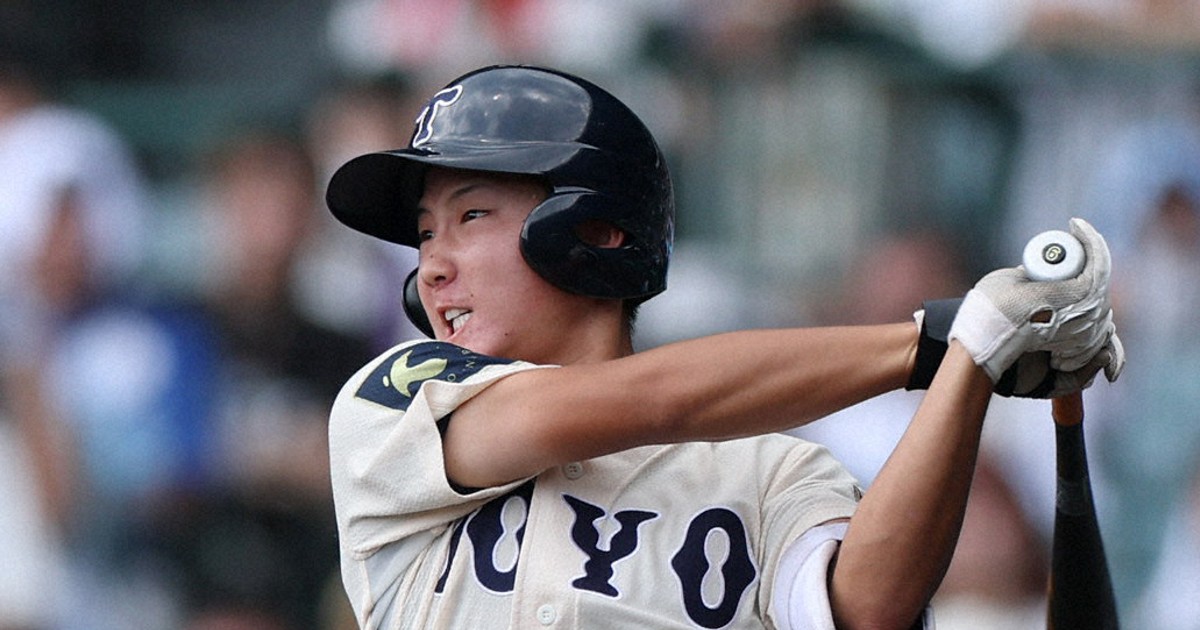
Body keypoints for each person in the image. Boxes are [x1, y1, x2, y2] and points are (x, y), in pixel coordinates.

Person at [322, 65, 1123, 629]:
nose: (432, 265)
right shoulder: (394, 400)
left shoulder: (775, 471)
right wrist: (938, 339)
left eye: (471, 218)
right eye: (424, 235)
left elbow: (867, 612)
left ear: (593, 231)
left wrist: (973, 360)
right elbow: (643, 402)